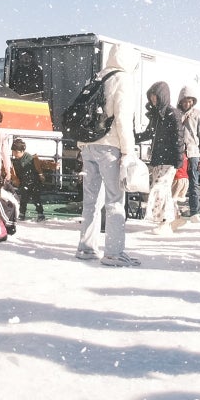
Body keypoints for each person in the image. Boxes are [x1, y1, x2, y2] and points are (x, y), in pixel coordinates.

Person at [74, 42, 141, 267]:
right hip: (110, 146)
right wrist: (128, 151)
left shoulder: (98, 77)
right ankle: (113, 252)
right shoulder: (123, 79)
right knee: (115, 200)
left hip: (88, 145)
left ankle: (86, 248)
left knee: (90, 202)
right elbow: (123, 119)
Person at [138, 80, 184, 233]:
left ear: (162, 96)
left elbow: (179, 137)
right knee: (161, 189)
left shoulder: (173, 114)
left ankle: (165, 222)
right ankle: (175, 218)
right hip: (158, 158)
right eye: (151, 97)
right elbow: (149, 133)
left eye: (155, 97)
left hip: (169, 159)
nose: (153, 100)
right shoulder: (157, 115)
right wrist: (133, 137)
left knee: (159, 188)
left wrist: (179, 159)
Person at [177, 91, 200, 217]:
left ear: (193, 101)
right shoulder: (176, 113)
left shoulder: (198, 114)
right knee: (177, 181)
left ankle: (195, 212)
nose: (186, 103)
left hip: (193, 152)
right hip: (178, 151)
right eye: (184, 101)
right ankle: (175, 211)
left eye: (189, 101)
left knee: (194, 183)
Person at [9, 138, 48, 221]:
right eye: (13, 151)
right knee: (23, 198)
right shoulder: (15, 161)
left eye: (16, 152)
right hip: (24, 182)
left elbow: (42, 164)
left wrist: (53, 165)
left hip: (34, 181)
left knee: (36, 198)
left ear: (22, 151)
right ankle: (22, 213)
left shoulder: (30, 158)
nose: (15, 153)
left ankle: (40, 213)